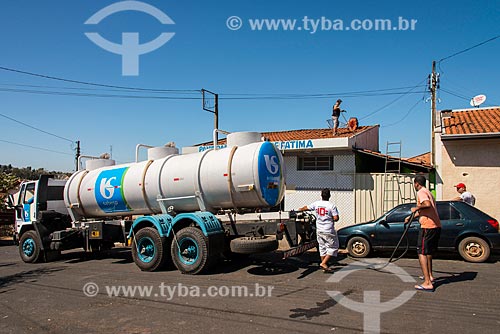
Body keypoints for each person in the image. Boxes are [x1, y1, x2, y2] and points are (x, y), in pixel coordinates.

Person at [406, 175, 441, 292]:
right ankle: (430, 276)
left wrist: (415, 208)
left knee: (421, 252)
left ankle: (427, 283)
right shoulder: (429, 192)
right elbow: (427, 210)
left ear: (416, 183)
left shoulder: (421, 192)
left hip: (427, 226)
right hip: (435, 225)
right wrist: (411, 216)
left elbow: (427, 205)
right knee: (428, 252)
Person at [298, 188, 339, 273]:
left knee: (322, 247)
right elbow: (336, 218)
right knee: (333, 247)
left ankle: (324, 264)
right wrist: (329, 217)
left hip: (319, 229)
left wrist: (300, 209)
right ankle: (323, 263)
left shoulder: (317, 204)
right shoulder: (331, 206)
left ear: (321, 195)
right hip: (328, 230)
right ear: (329, 196)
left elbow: (307, 207)